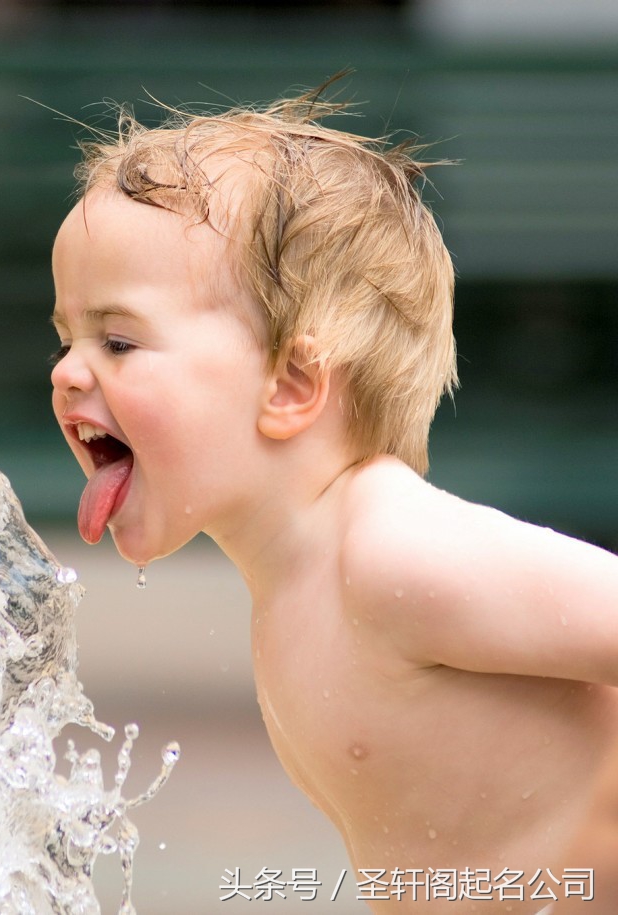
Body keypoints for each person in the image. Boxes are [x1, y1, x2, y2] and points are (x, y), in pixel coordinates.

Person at [47, 84, 618, 913]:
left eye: (119, 340)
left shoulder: (391, 553)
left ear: (291, 384)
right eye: (67, 338)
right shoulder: (292, 588)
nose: (66, 371)